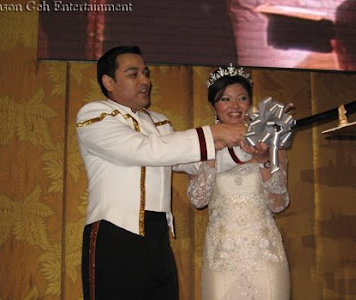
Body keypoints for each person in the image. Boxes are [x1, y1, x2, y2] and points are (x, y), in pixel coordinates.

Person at [75, 46, 252, 299]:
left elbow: (195, 163)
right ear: (108, 82)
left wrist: (247, 148)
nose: (145, 80)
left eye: (145, 73)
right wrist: (214, 134)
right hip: (114, 232)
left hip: (158, 234)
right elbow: (145, 150)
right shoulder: (95, 116)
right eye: (133, 74)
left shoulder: (158, 122)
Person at [187, 65, 291, 299]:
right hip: (222, 255)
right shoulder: (201, 146)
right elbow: (197, 199)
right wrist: (212, 155)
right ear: (213, 105)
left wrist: (264, 159)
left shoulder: (270, 145)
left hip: (265, 253)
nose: (234, 106)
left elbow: (279, 203)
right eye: (225, 99)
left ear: (250, 102)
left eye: (241, 98)